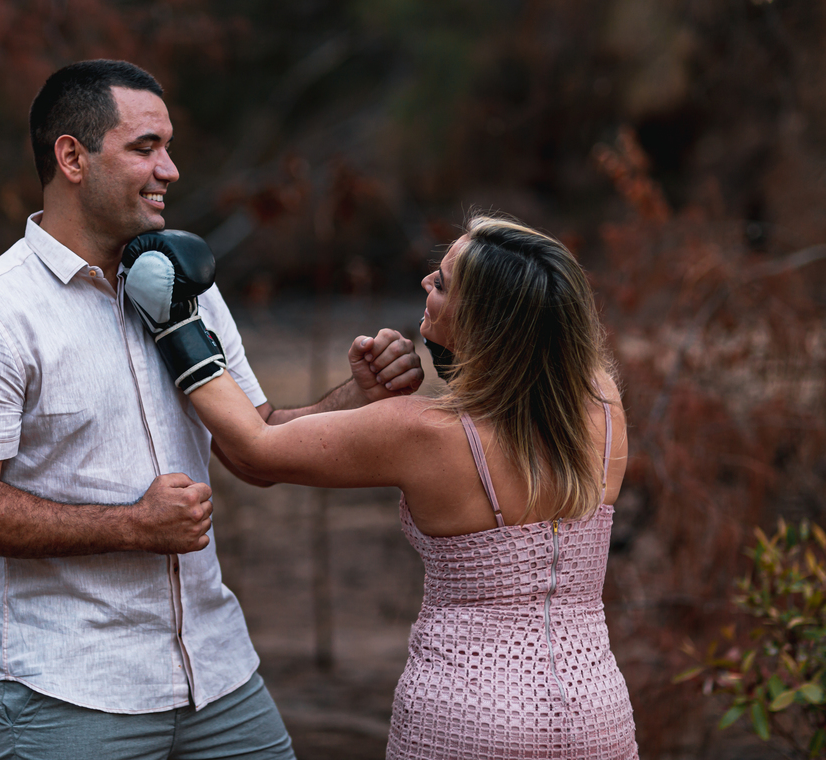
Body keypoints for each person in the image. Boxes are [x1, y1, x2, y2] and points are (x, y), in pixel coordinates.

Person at [0, 59, 425, 760]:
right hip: (72, 694)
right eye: (146, 147)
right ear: (72, 156)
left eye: (169, 146)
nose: (171, 170)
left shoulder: (185, 287)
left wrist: (356, 398)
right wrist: (133, 526)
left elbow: (256, 444)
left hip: (219, 679)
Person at [125, 215, 639, 759]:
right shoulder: (601, 401)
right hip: (596, 708)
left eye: (441, 284)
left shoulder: (422, 431)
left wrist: (176, 325)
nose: (425, 284)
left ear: (484, 322)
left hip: (471, 714)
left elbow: (254, 447)